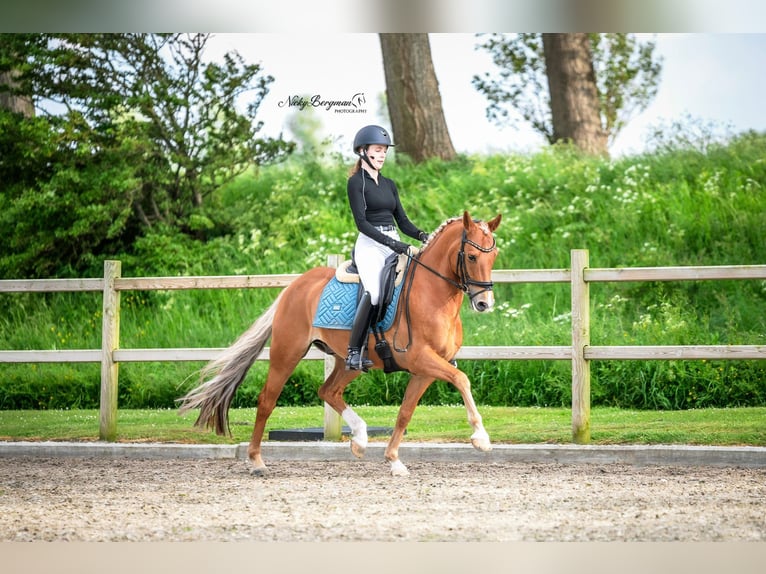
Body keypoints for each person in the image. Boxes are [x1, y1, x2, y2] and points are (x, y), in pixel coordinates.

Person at [345, 124, 429, 371]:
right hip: (370, 245)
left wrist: (424, 235)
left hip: (393, 240)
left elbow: (402, 221)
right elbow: (362, 224)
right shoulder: (356, 183)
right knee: (376, 292)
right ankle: (353, 351)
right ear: (363, 151)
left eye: (384, 151)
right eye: (378, 150)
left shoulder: (389, 184)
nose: (382, 155)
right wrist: (395, 244)